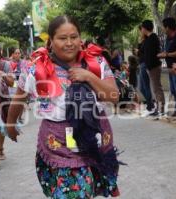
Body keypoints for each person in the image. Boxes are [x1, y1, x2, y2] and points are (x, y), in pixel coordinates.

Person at [7, 15, 122, 198]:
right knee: (75, 193)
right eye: (62, 38)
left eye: (74, 37)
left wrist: (89, 77)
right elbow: (18, 99)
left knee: (91, 187)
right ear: (51, 41)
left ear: (80, 38)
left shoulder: (96, 63)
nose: (69, 43)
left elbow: (114, 97)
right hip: (59, 145)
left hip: (96, 137)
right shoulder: (36, 68)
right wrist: (10, 124)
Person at [158, 17, 176, 120]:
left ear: (168, 27)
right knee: (174, 91)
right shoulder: (168, 37)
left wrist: (167, 54)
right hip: (171, 69)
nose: (163, 30)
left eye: (164, 27)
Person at [141, 20, 165, 118]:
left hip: (154, 66)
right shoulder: (148, 38)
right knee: (154, 88)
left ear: (145, 28)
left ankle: (161, 109)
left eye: (142, 27)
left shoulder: (153, 38)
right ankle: (158, 108)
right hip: (150, 67)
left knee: (157, 87)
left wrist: (149, 66)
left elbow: (152, 54)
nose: (141, 30)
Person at [135, 26, 154, 115]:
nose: (140, 32)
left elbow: (144, 54)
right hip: (141, 64)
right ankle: (150, 104)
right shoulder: (142, 41)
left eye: (141, 30)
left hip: (144, 64)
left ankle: (150, 106)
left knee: (145, 86)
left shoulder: (146, 41)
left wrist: (138, 52)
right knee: (142, 87)